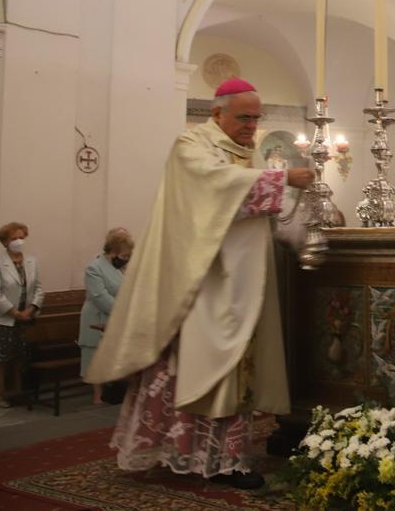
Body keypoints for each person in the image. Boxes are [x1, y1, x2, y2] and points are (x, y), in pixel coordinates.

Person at [85, 77, 315, 489]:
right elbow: (212, 189)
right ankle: (203, 458)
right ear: (216, 113)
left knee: (235, 371)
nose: (252, 126)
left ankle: (224, 457)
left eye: (256, 118)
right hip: (202, 285)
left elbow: (250, 211)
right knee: (204, 368)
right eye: (244, 117)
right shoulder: (192, 146)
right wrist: (280, 181)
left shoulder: (244, 154)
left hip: (241, 284)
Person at [0, 222, 43, 408]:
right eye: (14, 238)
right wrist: (15, 313)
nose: (19, 241)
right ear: (5, 242)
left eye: (21, 237)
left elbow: (38, 288)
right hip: (3, 318)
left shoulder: (31, 261)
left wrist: (31, 309)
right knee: (0, 358)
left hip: (25, 317)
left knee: (19, 356)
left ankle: (17, 390)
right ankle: (0, 393)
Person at [78, 228, 133, 404]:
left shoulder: (120, 269)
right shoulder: (94, 268)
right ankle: (97, 395)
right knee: (95, 356)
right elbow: (99, 296)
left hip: (116, 318)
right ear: (113, 251)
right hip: (97, 317)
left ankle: (115, 392)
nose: (126, 258)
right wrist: (123, 311)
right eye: (124, 255)